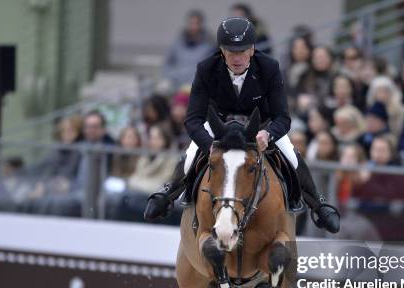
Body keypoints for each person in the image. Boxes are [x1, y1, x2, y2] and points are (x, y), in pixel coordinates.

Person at [144, 17, 340, 234]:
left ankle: (319, 205)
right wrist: (209, 144)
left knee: (292, 155)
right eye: (230, 51)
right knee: (191, 154)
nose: (237, 58)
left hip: (260, 126)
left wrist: (268, 134)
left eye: (242, 51)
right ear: (221, 50)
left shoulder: (269, 67)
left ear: (253, 49)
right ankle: (167, 193)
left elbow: (283, 118)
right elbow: (192, 120)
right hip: (219, 125)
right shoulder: (206, 69)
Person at [163, 10, 215, 88]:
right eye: (192, 24)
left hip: (198, 87)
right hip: (176, 84)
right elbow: (167, 64)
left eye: (197, 24)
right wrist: (173, 77)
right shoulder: (177, 44)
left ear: (201, 25)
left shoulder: (210, 46)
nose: (194, 27)